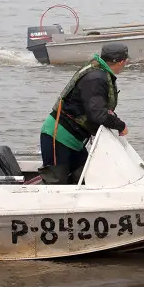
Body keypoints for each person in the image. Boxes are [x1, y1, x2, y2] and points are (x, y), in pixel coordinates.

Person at [39, 42, 129, 184]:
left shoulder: (99, 72)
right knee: (55, 183)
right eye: (126, 61)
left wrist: (112, 117)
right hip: (58, 136)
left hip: (75, 141)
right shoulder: (96, 78)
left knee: (87, 176)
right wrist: (120, 125)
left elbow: (97, 109)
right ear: (122, 62)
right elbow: (97, 114)